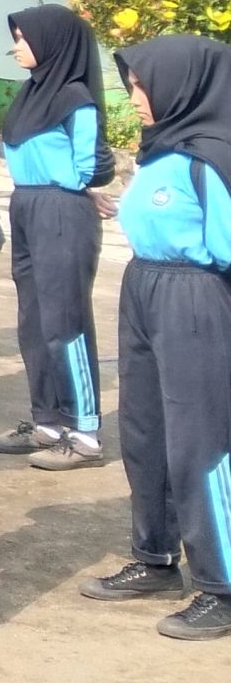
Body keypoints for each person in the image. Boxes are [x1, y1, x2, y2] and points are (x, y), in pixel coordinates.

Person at [82, 35, 231, 642]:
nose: (135, 97)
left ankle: (221, 585)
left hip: (194, 296)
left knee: (199, 437)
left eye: (143, 85)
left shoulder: (212, 158)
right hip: (142, 288)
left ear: (184, 85)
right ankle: (155, 556)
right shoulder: (162, 149)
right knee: (144, 431)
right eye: (132, 85)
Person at [0, 4, 112, 471]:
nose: (17, 46)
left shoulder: (74, 99)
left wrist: (77, 193)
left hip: (61, 210)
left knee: (66, 322)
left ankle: (84, 432)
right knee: (33, 321)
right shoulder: (30, 94)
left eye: (23, 38)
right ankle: (47, 422)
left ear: (53, 43)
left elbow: (87, 165)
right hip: (27, 206)